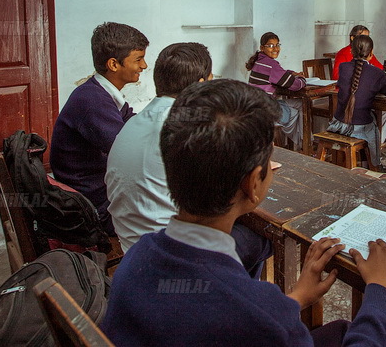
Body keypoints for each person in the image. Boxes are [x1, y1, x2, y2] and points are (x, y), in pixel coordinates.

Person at [101, 79, 386, 347]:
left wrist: (297, 297)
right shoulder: (261, 316)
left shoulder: (135, 260)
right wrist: (380, 291)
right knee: (347, 333)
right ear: (253, 184)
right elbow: (253, 320)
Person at [104, 43, 270, 277]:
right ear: (201, 86)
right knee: (262, 235)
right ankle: (236, 295)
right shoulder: (185, 130)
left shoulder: (135, 121)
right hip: (168, 248)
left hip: (133, 244)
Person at [50, 22, 148, 235]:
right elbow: (130, 154)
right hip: (97, 209)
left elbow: (133, 122)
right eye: (138, 59)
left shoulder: (100, 93)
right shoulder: (92, 101)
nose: (144, 66)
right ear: (114, 64)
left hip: (97, 193)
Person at [327, 35, 386, 168]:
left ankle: (363, 164)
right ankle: (374, 164)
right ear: (371, 53)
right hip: (360, 128)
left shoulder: (343, 67)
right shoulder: (377, 73)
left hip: (338, 124)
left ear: (351, 51)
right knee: (373, 127)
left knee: (370, 120)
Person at [247, 32, 305, 150]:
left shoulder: (259, 61)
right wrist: (302, 78)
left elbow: (280, 74)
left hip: (256, 109)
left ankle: (297, 145)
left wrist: (290, 73)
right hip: (267, 112)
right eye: (271, 46)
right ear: (262, 48)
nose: (276, 49)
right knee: (302, 105)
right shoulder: (271, 64)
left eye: (277, 45)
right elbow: (296, 85)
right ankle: (303, 145)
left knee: (292, 107)